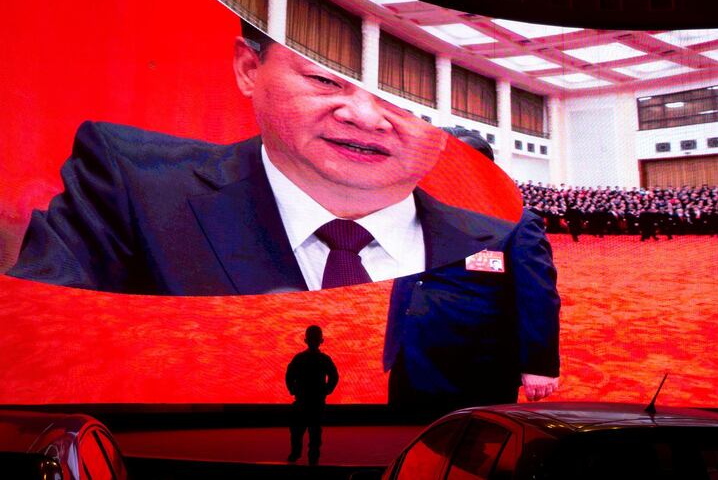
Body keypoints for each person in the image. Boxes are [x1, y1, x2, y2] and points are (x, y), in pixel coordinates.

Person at [8, 22, 559, 410]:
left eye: (407, 103)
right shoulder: (131, 185)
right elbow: (40, 348)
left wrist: (540, 364)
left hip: (451, 388)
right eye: (324, 79)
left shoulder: (488, 231)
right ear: (249, 69)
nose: (366, 116)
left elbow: (535, 297)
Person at [285, 325, 338, 466]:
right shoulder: (324, 359)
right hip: (316, 402)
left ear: (305, 340)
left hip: (303, 401)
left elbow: (289, 376)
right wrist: (326, 390)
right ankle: (312, 458)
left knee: (298, 431)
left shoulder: (299, 358)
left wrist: (293, 390)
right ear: (322, 340)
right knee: (314, 433)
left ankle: (296, 454)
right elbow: (334, 377)